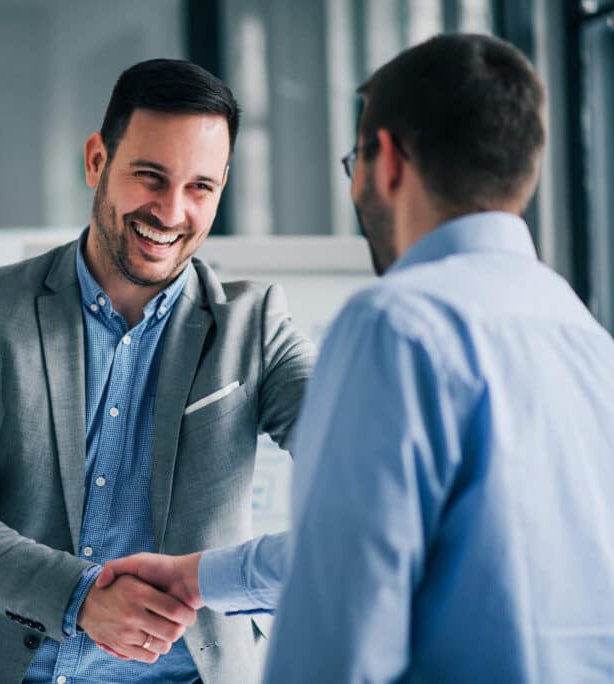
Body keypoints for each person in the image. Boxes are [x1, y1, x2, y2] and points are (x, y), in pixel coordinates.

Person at [98, 33, 614, 682]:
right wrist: (199, 577)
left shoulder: (397, 326)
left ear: (389, 161)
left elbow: (340, 614)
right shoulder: (586, 339)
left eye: (355, 162)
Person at [0, 59, 316, 683]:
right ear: (97, 161)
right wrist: (79, 596)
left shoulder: (256, 326)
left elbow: (364, 469)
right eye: (150, 176)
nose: (172, 212)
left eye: (201, 188)